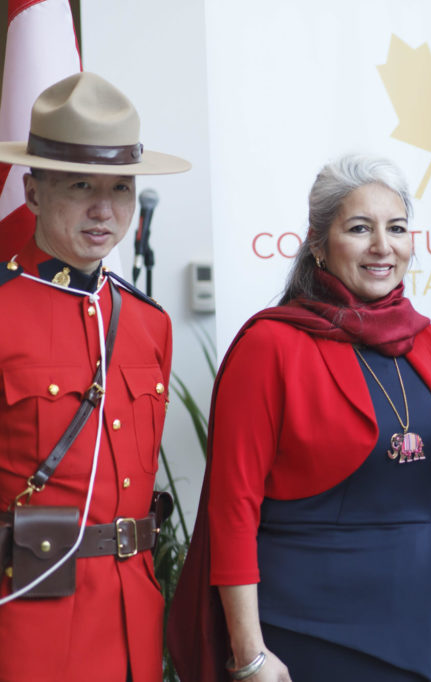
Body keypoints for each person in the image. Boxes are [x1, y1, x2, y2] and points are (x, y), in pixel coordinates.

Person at [168, 154, 431, 682]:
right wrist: (249, 653)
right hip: (310, 629)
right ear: (317, 243)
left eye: (397, 228)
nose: (383, 246)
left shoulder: (421, 337)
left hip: (425, 617)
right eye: (360, 228)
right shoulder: (270, 345)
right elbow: (232, 508)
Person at [0, 72, 189, 681]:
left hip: (133, 619)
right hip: (25, 622)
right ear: (33, 191)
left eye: (120, 188)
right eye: (81, 185)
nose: (104, 209)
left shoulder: (149, 322)